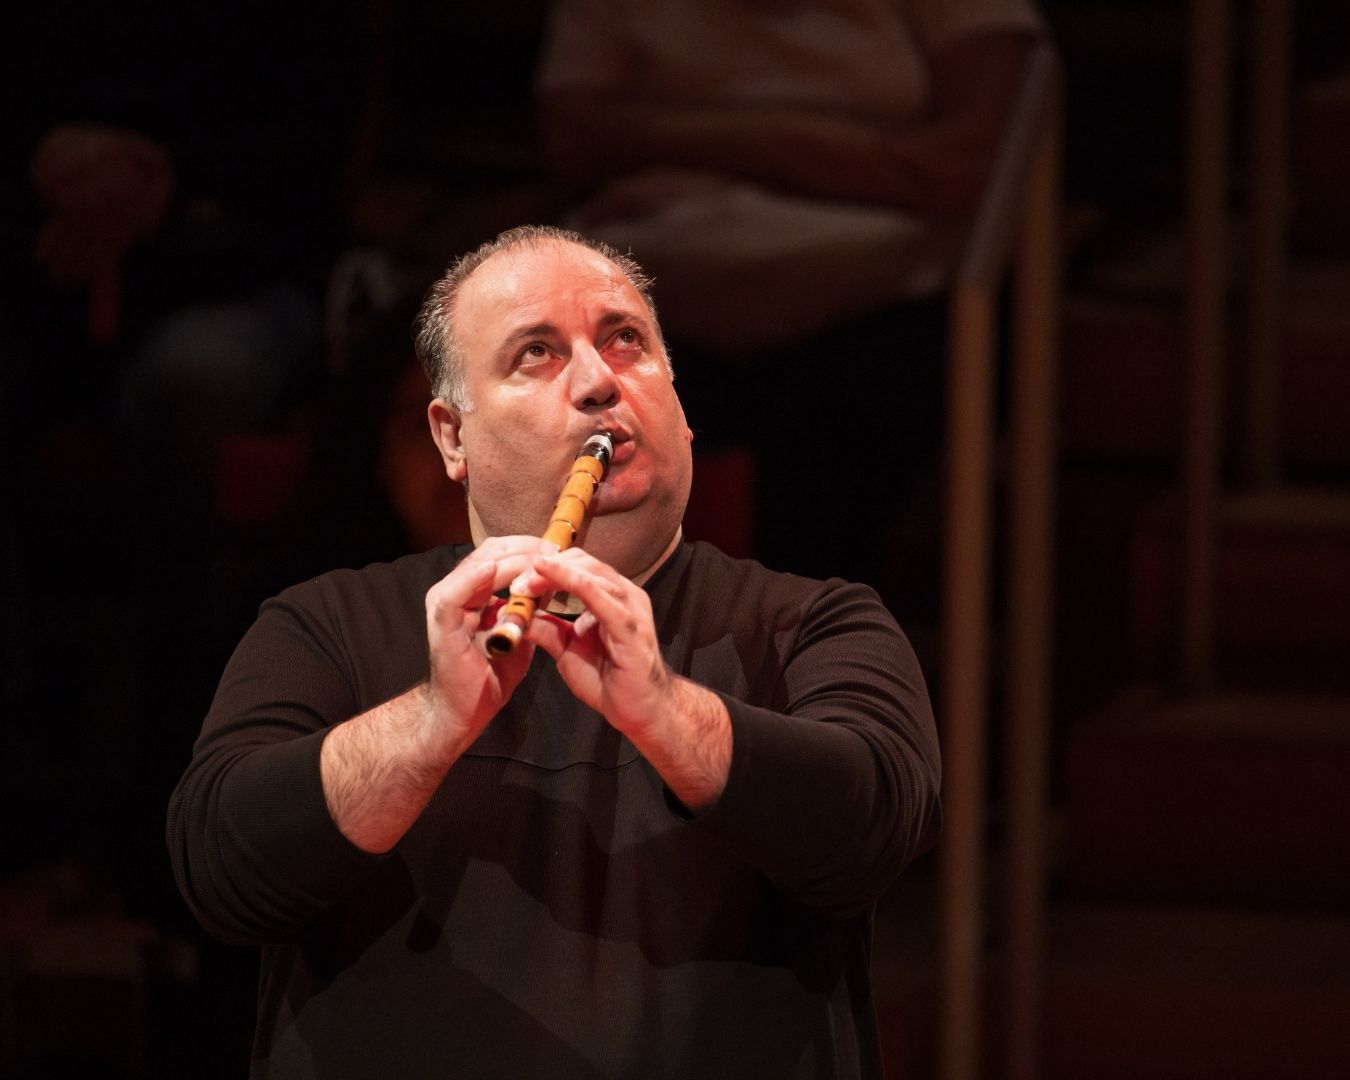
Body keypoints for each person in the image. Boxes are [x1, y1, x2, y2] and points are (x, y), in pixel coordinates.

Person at [167, 225, 941, 1078]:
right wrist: (429, 724)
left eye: (627, 341)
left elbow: (875, 832)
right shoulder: (324, 624)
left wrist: (668, 713)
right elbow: (222, 871)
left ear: (682, 411)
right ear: (452, 438)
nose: (600, 381)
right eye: (536, 353)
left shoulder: (817, 623)